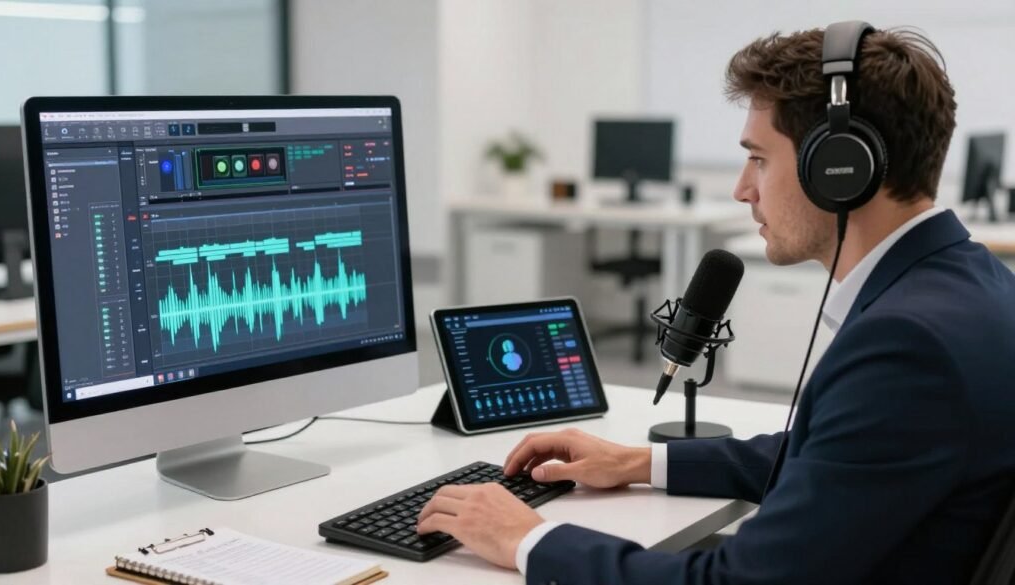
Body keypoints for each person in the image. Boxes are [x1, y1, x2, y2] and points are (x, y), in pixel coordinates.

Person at [417, 23, 1015, 584]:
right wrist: (638, 463)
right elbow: (839, 455)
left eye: (759, 158)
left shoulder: (908, 347)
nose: (741, 188)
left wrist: (529, 540)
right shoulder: (972, 282)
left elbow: (734, 580)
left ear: (840, 168)